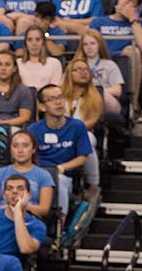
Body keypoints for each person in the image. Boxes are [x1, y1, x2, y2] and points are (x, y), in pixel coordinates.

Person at [28, 83, 95, 213]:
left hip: (64, 174)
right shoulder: (33, 130)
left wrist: (61, 168)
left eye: (60, 97)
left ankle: (60, 225)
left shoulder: (77, 126)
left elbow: (83, 157)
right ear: (42, 106)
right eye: (52, 99)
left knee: (60, 182)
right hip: (38, 173)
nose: (58, 103)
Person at [0, 130, 56, 220]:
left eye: (25, 146)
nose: (20, 150)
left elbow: (44, 209)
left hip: (30, 219)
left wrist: (19, 206)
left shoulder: (44, 175)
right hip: (2, 219)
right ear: (10, 150)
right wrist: (10, 209)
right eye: (15, 146)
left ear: (33, 149)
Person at [0, 175, 48, 257]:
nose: (14, 192)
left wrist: (17, 213)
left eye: (20, 189)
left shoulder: (36, 225)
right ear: (4, 196)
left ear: (28, 195)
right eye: (9, 189)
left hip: (9, 265)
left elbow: (26, 248)